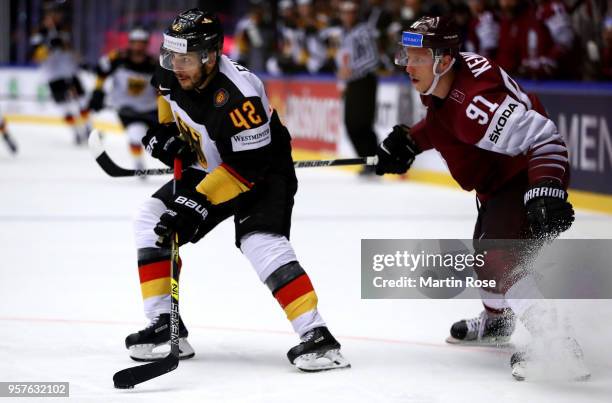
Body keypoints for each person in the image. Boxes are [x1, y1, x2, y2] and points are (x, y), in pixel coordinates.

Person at [125, 8, 350, 372]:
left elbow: (244, 170)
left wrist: (194, 202)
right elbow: (166, 100)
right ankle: (164, 326)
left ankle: (318, 338)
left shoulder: (238, 97)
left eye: (185, 58)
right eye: (171, 56)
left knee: (259, 240)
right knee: (150, 219)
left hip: (261, 170)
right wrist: (165, 134)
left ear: (210, 56)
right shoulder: (172, 69)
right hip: (213, 166)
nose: (175, 65)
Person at [375, 15, 589, 380]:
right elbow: (447, 121)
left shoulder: (475, 103)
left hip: (522, 175)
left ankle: (558, 342)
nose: (407, 65)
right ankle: (496, 322)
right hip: (500, 178)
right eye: (405, 55)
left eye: (418, 57)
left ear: (443, 61)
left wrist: (545, 188)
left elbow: (545, 138)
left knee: (498, 258)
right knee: (485, 251)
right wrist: (413, 140)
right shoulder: (450, 82)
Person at [88, 28, 158, 173]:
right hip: (127, 108)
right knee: (135, 134)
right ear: (130, 43)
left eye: (142, 43)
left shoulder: (154, 64)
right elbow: (102, 72)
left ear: (146, 44)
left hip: (151, 108)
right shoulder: (117, 58)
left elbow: (161, 88)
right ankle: (139, 163)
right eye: (135, 43)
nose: (138, 47)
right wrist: (98, 92)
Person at [29, 3, 92, 145]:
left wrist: (80, 61)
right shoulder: (39, 33)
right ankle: (76, 131)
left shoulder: (65, 29)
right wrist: (48, 47)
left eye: (58, 14)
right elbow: (35, 56)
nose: (58, 17)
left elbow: (72, 48)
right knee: (64, 106)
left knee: (81, 100)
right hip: (53, 74)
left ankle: (89, 127)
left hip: (69, 70)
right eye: (54, 14)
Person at [337, 1, 380, 176]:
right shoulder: (344, 34)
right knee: (350, 123)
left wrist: (352, 69)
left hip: (365, 81)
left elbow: (373, 58)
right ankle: (368, 159)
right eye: (345, 12)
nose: (348, 16)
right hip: (352, 83)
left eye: (351, 12)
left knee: (362, 123)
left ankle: (375, 159)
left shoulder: (363, 31)